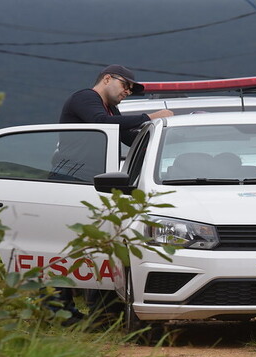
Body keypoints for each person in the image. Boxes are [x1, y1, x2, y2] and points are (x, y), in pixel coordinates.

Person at [50, 65, 173, 325]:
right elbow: (101, 124)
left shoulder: (111, 110)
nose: (127, 91)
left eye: (131, 89)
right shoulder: (86, 98)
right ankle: (57, 313)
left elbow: (130, 139)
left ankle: (101, 313)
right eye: (125, 85)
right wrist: (150, 116)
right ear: (107, 79)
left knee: (96, 249)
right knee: (62, 250)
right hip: (69, 182)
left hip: (91, 185)